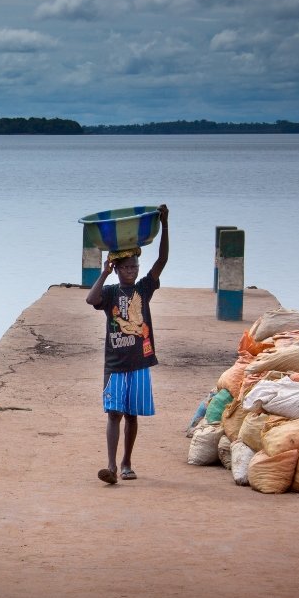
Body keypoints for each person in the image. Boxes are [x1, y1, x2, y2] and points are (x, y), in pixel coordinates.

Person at [85, 204, 169, 484]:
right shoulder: (110, 292)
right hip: (115, 364)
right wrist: (104, 273)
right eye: (127, 267)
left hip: (139, 362)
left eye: (135, 266)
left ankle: (126, 463)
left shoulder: (143, 289)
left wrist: (165, 225)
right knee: (114, 414)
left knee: (132, 415)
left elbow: (162, 261)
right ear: (118, 268)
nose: (132, 270)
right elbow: (90, 300)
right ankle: (110, 466)